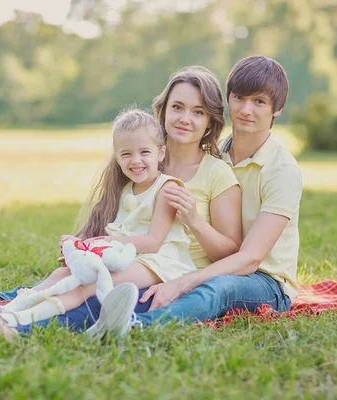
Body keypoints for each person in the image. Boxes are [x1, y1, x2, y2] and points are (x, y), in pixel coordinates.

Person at [0, 67, 243, 335]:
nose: (185, 118)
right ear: (163, 111)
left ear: (211, 119)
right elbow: (113, 215)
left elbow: (229, 251)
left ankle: (2, 322)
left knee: (89, 294)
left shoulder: (213, 173)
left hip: (167, 272)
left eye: (198, 111)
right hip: (125, 257)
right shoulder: (143, 161)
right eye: (178, 107)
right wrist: (82, 245)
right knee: (65, 275)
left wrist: (194, 223)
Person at [86, 55, 303, 338]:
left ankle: (134, 326)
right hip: (212, 264)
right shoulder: (217, 155)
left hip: (265, 280)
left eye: (259, 102)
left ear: (278, 109)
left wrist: (185, 281)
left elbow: (249, 259)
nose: (246, 110)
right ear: (228, 101)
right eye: (239, 98)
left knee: (217, 288)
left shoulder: (282, 170)